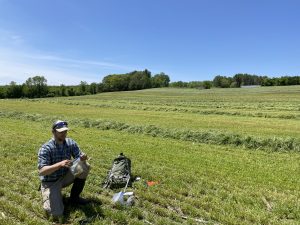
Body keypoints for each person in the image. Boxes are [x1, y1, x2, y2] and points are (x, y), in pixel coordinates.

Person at [38, 120, 91, 220]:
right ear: (53, 132)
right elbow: (42, 171)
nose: (64, 134)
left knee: (85, 166)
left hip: (65, 176)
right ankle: (49, 194)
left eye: (65, 131)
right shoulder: (46, 148)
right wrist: (60, 164)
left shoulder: (70, 142)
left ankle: (74, 198)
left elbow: (78, 156)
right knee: (56, 215)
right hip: (51, 182)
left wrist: (82, 158)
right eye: (61, 131)